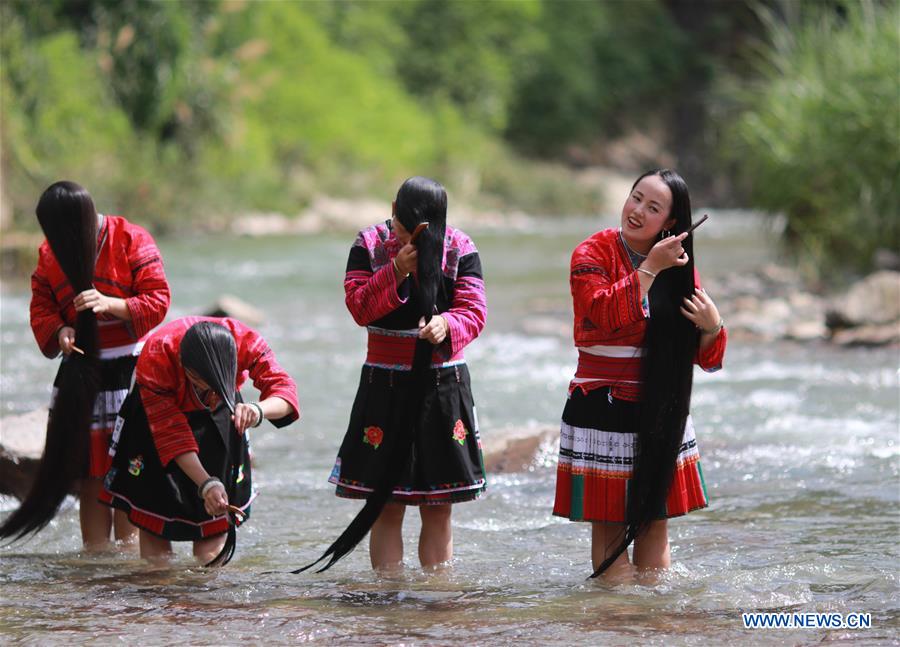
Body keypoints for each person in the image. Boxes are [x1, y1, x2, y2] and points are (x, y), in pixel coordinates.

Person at [302, 176, 487, 574]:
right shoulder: (368, 244)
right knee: (387, 505)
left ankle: (436, 600)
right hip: (384, 384)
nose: (407, 235)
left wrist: (447, 327)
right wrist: (396, 271)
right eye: (403, 226)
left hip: (442, 385)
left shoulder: (460, 246)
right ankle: (388, 599)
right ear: (391, 210)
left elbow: (474, 312)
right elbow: (358, 308)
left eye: (420, 229)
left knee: (439, 507)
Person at [552, 169, 727, 581]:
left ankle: (653, 625)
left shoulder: (679, 266)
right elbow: (605, 315)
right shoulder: (591, 254)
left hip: (662, 407)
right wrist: (650, 267)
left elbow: (706, 360)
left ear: (670, 222)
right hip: (601, 407)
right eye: (635, 198)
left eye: (652, 207)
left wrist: (714, 326)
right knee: (610, 527)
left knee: (656, 522)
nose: (636, 211)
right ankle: (618, 624)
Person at [0, 181, 170, 549]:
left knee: (130, 468)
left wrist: (113, 304)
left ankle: (126, 560)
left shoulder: (131, 238)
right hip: (79, 374)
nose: (57, 239)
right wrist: (60, 330)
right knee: (90, 473)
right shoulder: (49, 255)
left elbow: (158, 299)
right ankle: (96, 559)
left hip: (130, 371)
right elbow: (41, 308)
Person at [100, 317, 300, 565]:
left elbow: (285, 391)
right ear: (184, 367)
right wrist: (206, 484)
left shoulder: (246, 343)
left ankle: (210, 599)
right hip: (157, 420)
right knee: (156, 531)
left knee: (213, 533)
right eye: (199, 383)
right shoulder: (157, 356)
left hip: (223, 414)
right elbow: (173, 436)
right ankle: (156, 596)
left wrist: (258, 410)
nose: (209, 394)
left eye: (213, 385)